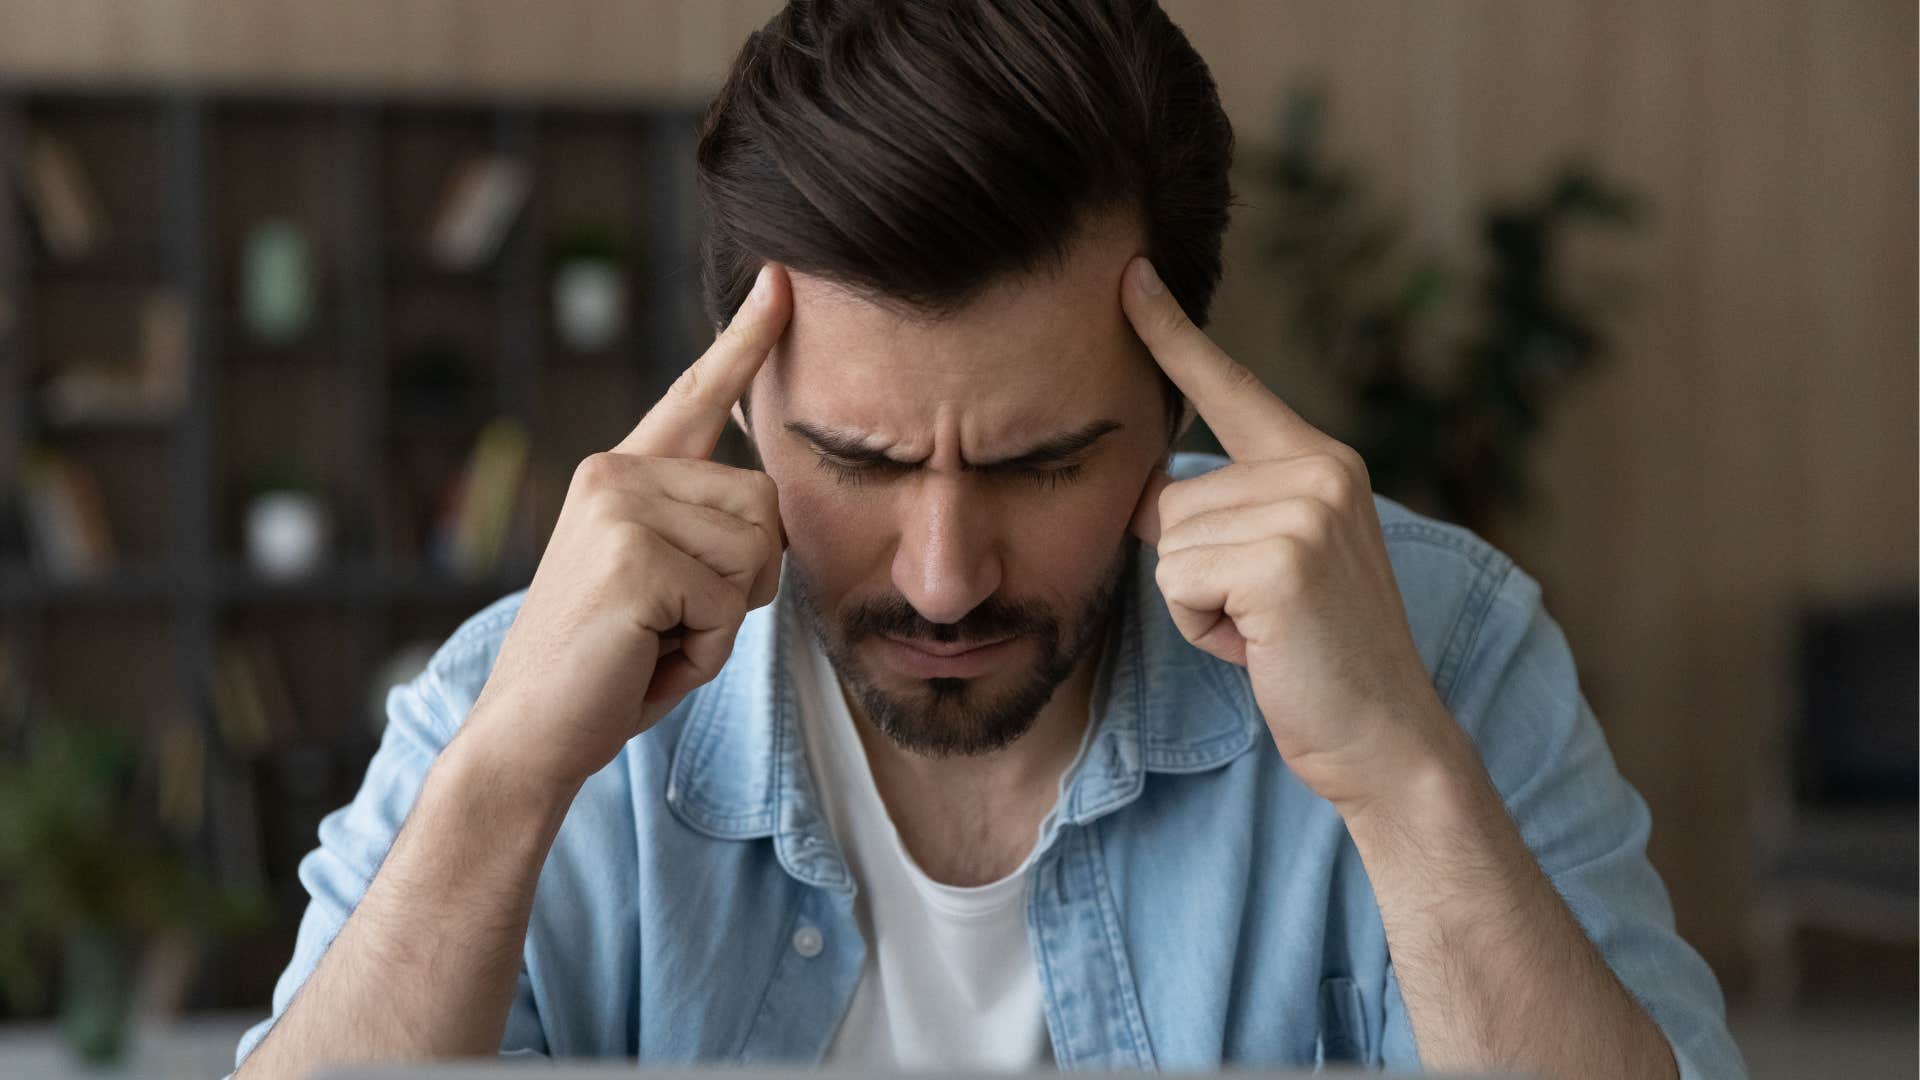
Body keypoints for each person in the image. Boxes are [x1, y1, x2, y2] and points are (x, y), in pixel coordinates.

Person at [230, 2, 1744, 1078]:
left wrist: (1403, 781)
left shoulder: (1442, 649)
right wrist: (502, 783)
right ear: (741, 401)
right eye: (860, 460)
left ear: (1176, 411)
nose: (946, 575)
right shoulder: (528, 693)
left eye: (1041, 462)